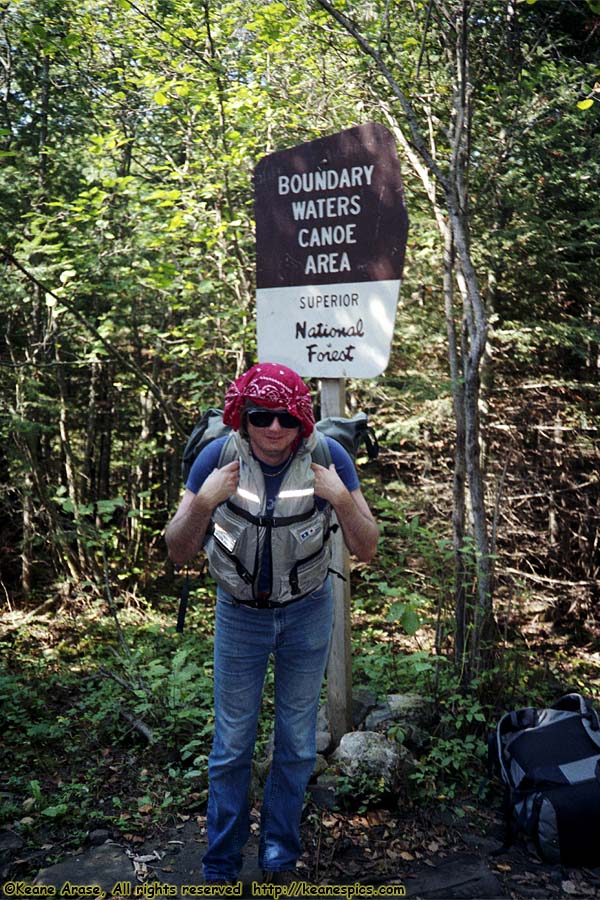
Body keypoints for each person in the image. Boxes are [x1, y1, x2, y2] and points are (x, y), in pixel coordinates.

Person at [165, 362, 378, 885]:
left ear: (302, 419)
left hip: (308, 611)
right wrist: (205, 501)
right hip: (239, 617)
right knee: (232, 744)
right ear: (243, 417)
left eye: (286, 417)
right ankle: (220, 864)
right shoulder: (218, 458)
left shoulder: (329, 458)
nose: (274, 428)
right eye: (261, 416)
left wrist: (341, 497)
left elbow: (367, 546)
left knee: (298, 744)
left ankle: (279, 857)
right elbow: (177, 550)